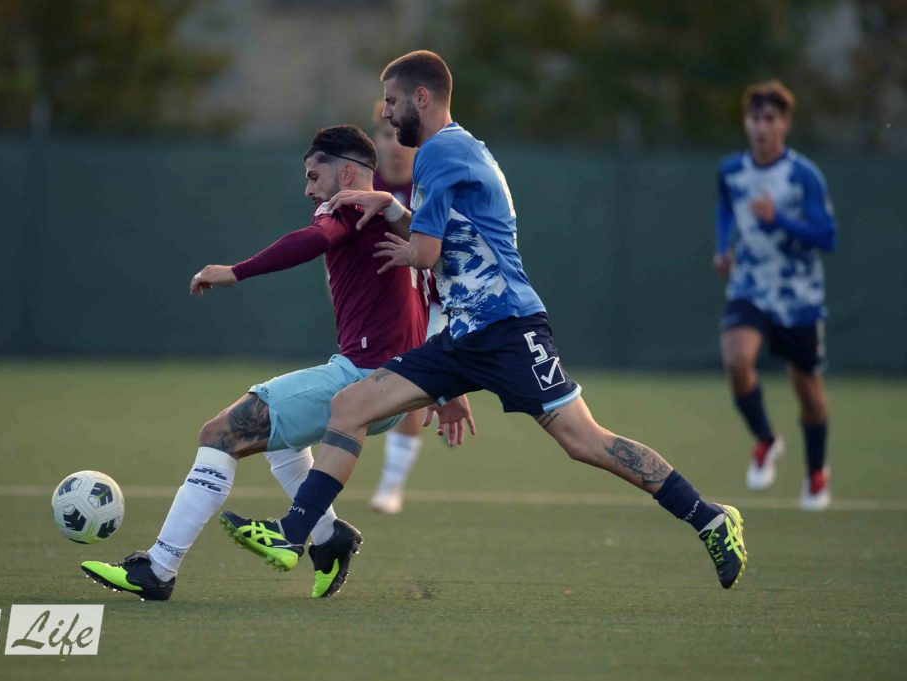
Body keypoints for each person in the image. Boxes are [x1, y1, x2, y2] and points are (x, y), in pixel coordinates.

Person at [221, 50, 749, 590]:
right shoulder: (459, 147)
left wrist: (402, 244)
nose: (387, 114)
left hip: (509, 328)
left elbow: (427, 253)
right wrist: (394, 209)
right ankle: (293, 533)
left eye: (393, 101)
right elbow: (452, 234)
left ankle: (709, 518)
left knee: (585, 441)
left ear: (422, 97)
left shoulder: (437, 152)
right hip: (463, 335)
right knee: (350, 405)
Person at [80, 124, 446, 601]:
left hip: (361, 380)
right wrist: (442, 383)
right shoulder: (405, 224)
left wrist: (236, 271)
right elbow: (438, 291)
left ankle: (159, 568)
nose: (309, 189)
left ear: (347, 174)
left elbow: (313, 240)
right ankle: (328, 537)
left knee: (220, 433)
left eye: (314, 176)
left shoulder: (351, 208)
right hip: (393, 388)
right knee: (281, 444)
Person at [714, 80, 837, 510]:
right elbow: (726, 206)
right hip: (750, 285)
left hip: (799, 297)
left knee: (808, 392)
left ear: (785, 123)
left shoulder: (803, 175)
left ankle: (816, 473)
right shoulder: (732, 170)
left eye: (770, 119)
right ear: (746, 123)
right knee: (736, 359)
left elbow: (828, 236)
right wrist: (723, 247)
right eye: (755, 118)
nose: (762, 127)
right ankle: (766, 440)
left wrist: (778, 220)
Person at [368, 99, 447, 514]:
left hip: (431, 306)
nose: (395, 144)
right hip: (380, 306)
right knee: (359, 389)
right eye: (387, 134)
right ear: (376, 139)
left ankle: (390, 486)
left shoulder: (429, 184)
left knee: (407, 387)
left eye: (402, 136)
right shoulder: (367, 187)